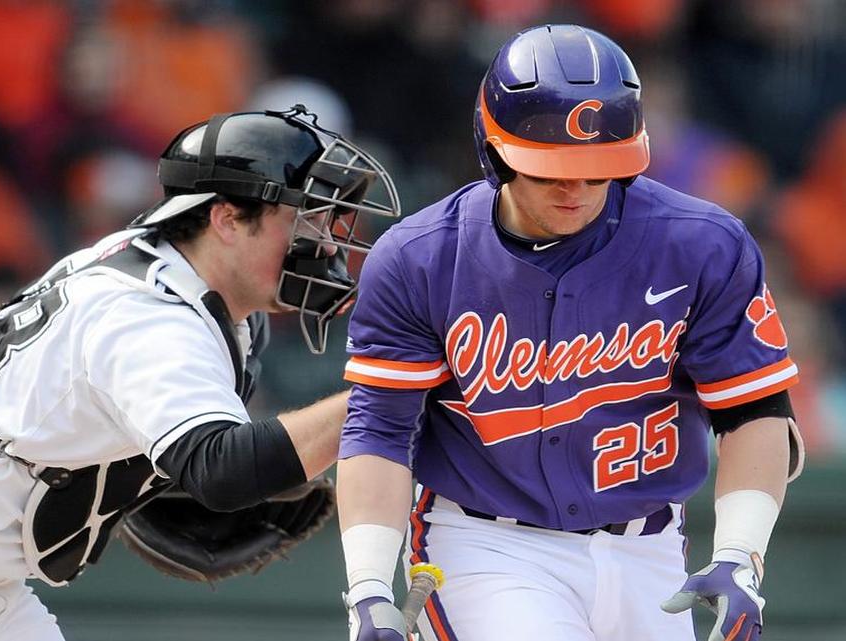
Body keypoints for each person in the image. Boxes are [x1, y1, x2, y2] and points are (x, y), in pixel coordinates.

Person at [0, 105, 401, 640]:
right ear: (228, 219)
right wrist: (383, 392)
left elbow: (181, 467)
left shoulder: (207, 304)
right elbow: (221, 468)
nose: (327, 240)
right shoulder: (148, 312)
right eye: (305, 217)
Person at [337, 25, 803, 641]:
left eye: (598, 167)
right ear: (495, 149)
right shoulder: (419, 257)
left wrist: (741, 554)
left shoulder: (702, 244)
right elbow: (379, 429)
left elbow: (756, 410)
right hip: (487, 544)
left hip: (651, 546)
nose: (576, 188)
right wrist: (368, 587)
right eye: (552, 168)